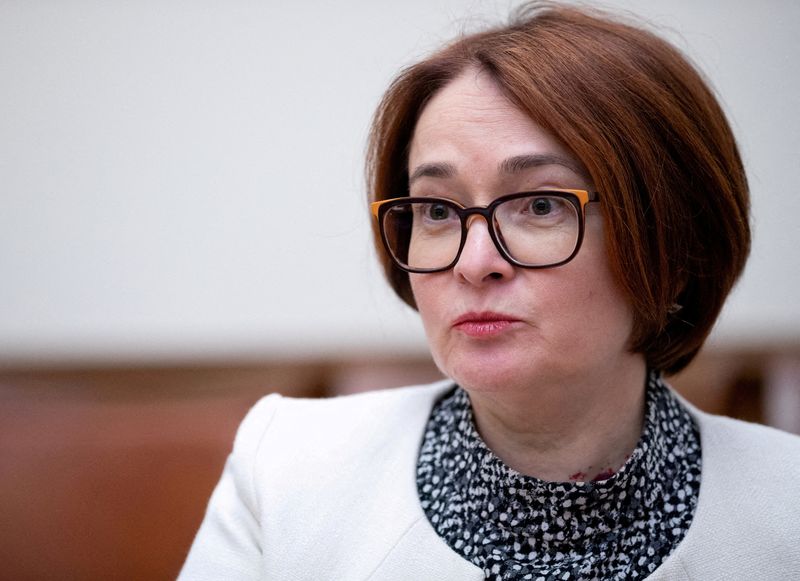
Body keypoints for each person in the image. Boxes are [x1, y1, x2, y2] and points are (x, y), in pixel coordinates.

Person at [180, 3, 800, 579]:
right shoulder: (289, 469)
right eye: (438, 211)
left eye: (540, 204)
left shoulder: (784, 508)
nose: (475, 264)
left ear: (673, 237)